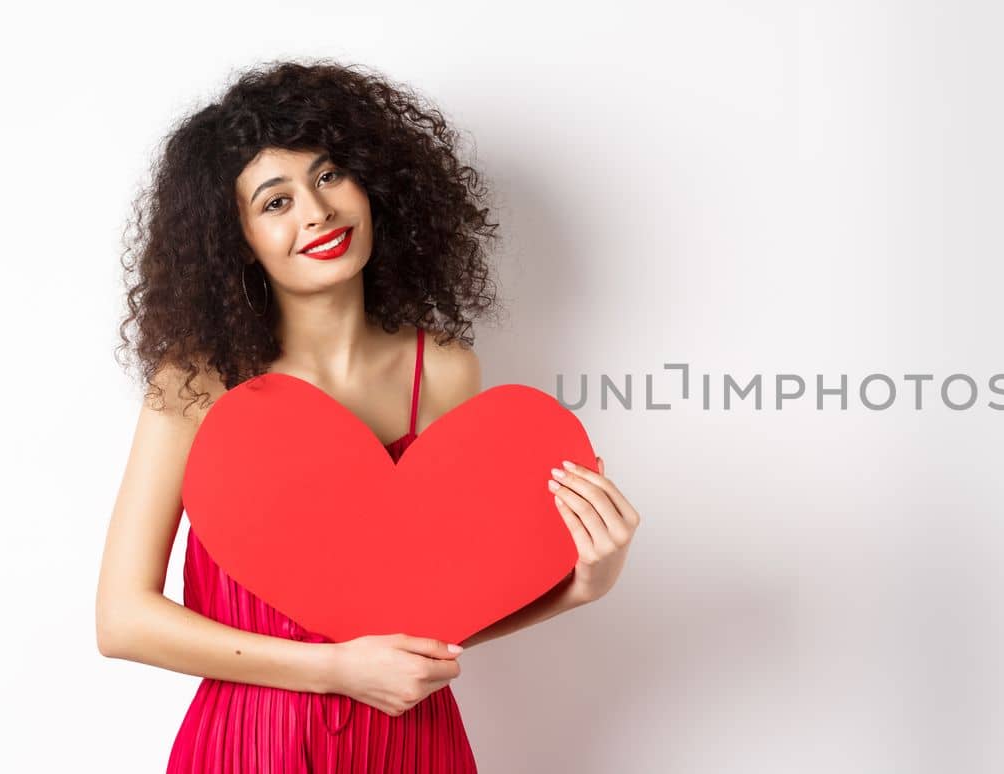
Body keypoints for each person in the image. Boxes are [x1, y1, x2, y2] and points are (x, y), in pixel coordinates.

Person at [95, 59, 643, 772]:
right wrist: (333, 671)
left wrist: (583, 586)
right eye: (274, 201)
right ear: (238, 242)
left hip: (411, 743)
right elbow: (122, 620)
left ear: (374, 184)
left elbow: (444, 614)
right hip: (248, 744)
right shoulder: (198, 385)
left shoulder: (444, 372)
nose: (317, 212)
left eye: (329, 176)